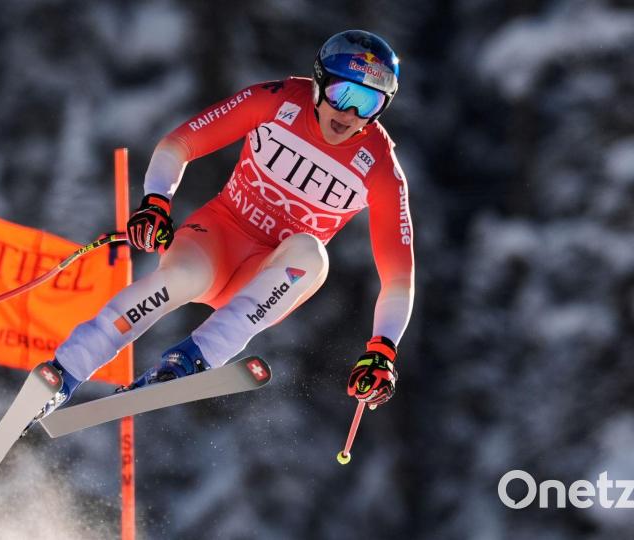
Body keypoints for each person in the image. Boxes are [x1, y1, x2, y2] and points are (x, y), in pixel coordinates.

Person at [37, 29, 414, 420]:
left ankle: (190, 360)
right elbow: (178, 145)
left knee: (313, 254)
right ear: (319, 82)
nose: (349, 114)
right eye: (342, 95)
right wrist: (155, 202)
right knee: (180, 279)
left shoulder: (381, 167)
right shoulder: (278, 100)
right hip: (218, 237)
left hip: (268, 276)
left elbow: (399, 279)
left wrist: (382, 349)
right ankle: (63, 374)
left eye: (368, 103)